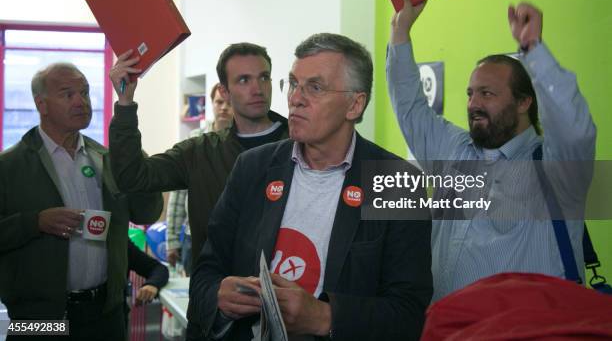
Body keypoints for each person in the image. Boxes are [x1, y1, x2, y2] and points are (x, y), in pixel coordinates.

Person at [190, 34, 433, 340]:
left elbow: (408, 313)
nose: (295, 98)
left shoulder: (397, 182)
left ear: (354, 104)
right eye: (293, 84)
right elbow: (205, 273)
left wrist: (325, 317)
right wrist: (218, 297)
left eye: (314, 88)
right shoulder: (252, 168)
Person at [386, 0, 596, 301]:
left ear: (524, 102)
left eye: (487, 94)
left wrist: (533, 51)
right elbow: (410, 108)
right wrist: (400, 32)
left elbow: (575, 129)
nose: (473, 104)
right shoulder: (455, 151)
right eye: (471, 93)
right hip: (440, 329)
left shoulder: (557, 169)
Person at [107, 42, 289, 338]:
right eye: (244, 80)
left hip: (289, 312)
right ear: (225, 92)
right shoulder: (201, 152)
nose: (258, 88)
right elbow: (133, 177)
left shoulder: (303, 146)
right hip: (216, 314)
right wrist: (125, 105)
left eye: (264, 77)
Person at [0, 63, 163, 341]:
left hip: (105, 315)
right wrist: (35, 222)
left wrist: (135, 164)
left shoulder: (107, 159)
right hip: (35, 320)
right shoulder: (9, 166)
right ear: (42, 104)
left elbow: (147, 212)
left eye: (85, 93)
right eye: (68, 94)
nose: (81, 101)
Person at [166, 83, 234, 276]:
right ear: (211, 104)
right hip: (194, 237)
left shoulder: (241, 143)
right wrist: (172, 240)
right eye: (219, 102)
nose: (224, 107)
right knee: (194, 297)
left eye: (229, 103)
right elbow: (178, 196)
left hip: (230, 239)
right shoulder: (195, 141)